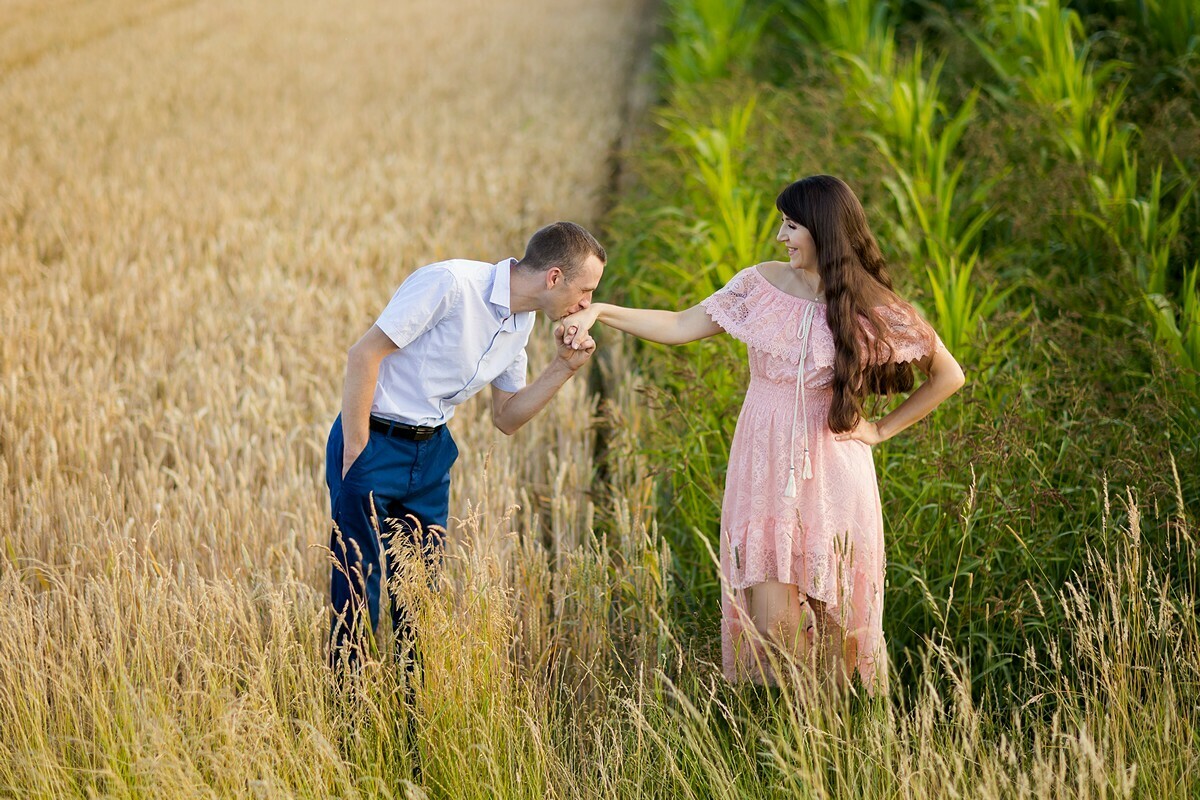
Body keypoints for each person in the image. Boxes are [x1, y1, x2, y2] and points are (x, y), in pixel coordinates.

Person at [561, 175, 965, 694]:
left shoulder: (871, 304)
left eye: (792, 225)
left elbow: (948, 374)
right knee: (777, 631)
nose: (781, 236)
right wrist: (599, 310)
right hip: (764, 472)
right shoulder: (758, 284)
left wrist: (883, 429)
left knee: (841, 637)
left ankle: (840, 751)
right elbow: (680, 325)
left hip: (836, 479)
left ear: (822, 230)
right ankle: (799, 737)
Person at [327, 221, 604, 669]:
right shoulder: (451, 284)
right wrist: (356, 455)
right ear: (554, 277)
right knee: (357, 586)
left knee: (419, 593)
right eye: (586, 290)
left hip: (431, 453)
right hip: (374, 441)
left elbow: (506, 416)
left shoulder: (522, 322)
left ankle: (408, 716)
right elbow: (364, 354)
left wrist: (563, 368)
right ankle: (350, 719)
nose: (587, 304)